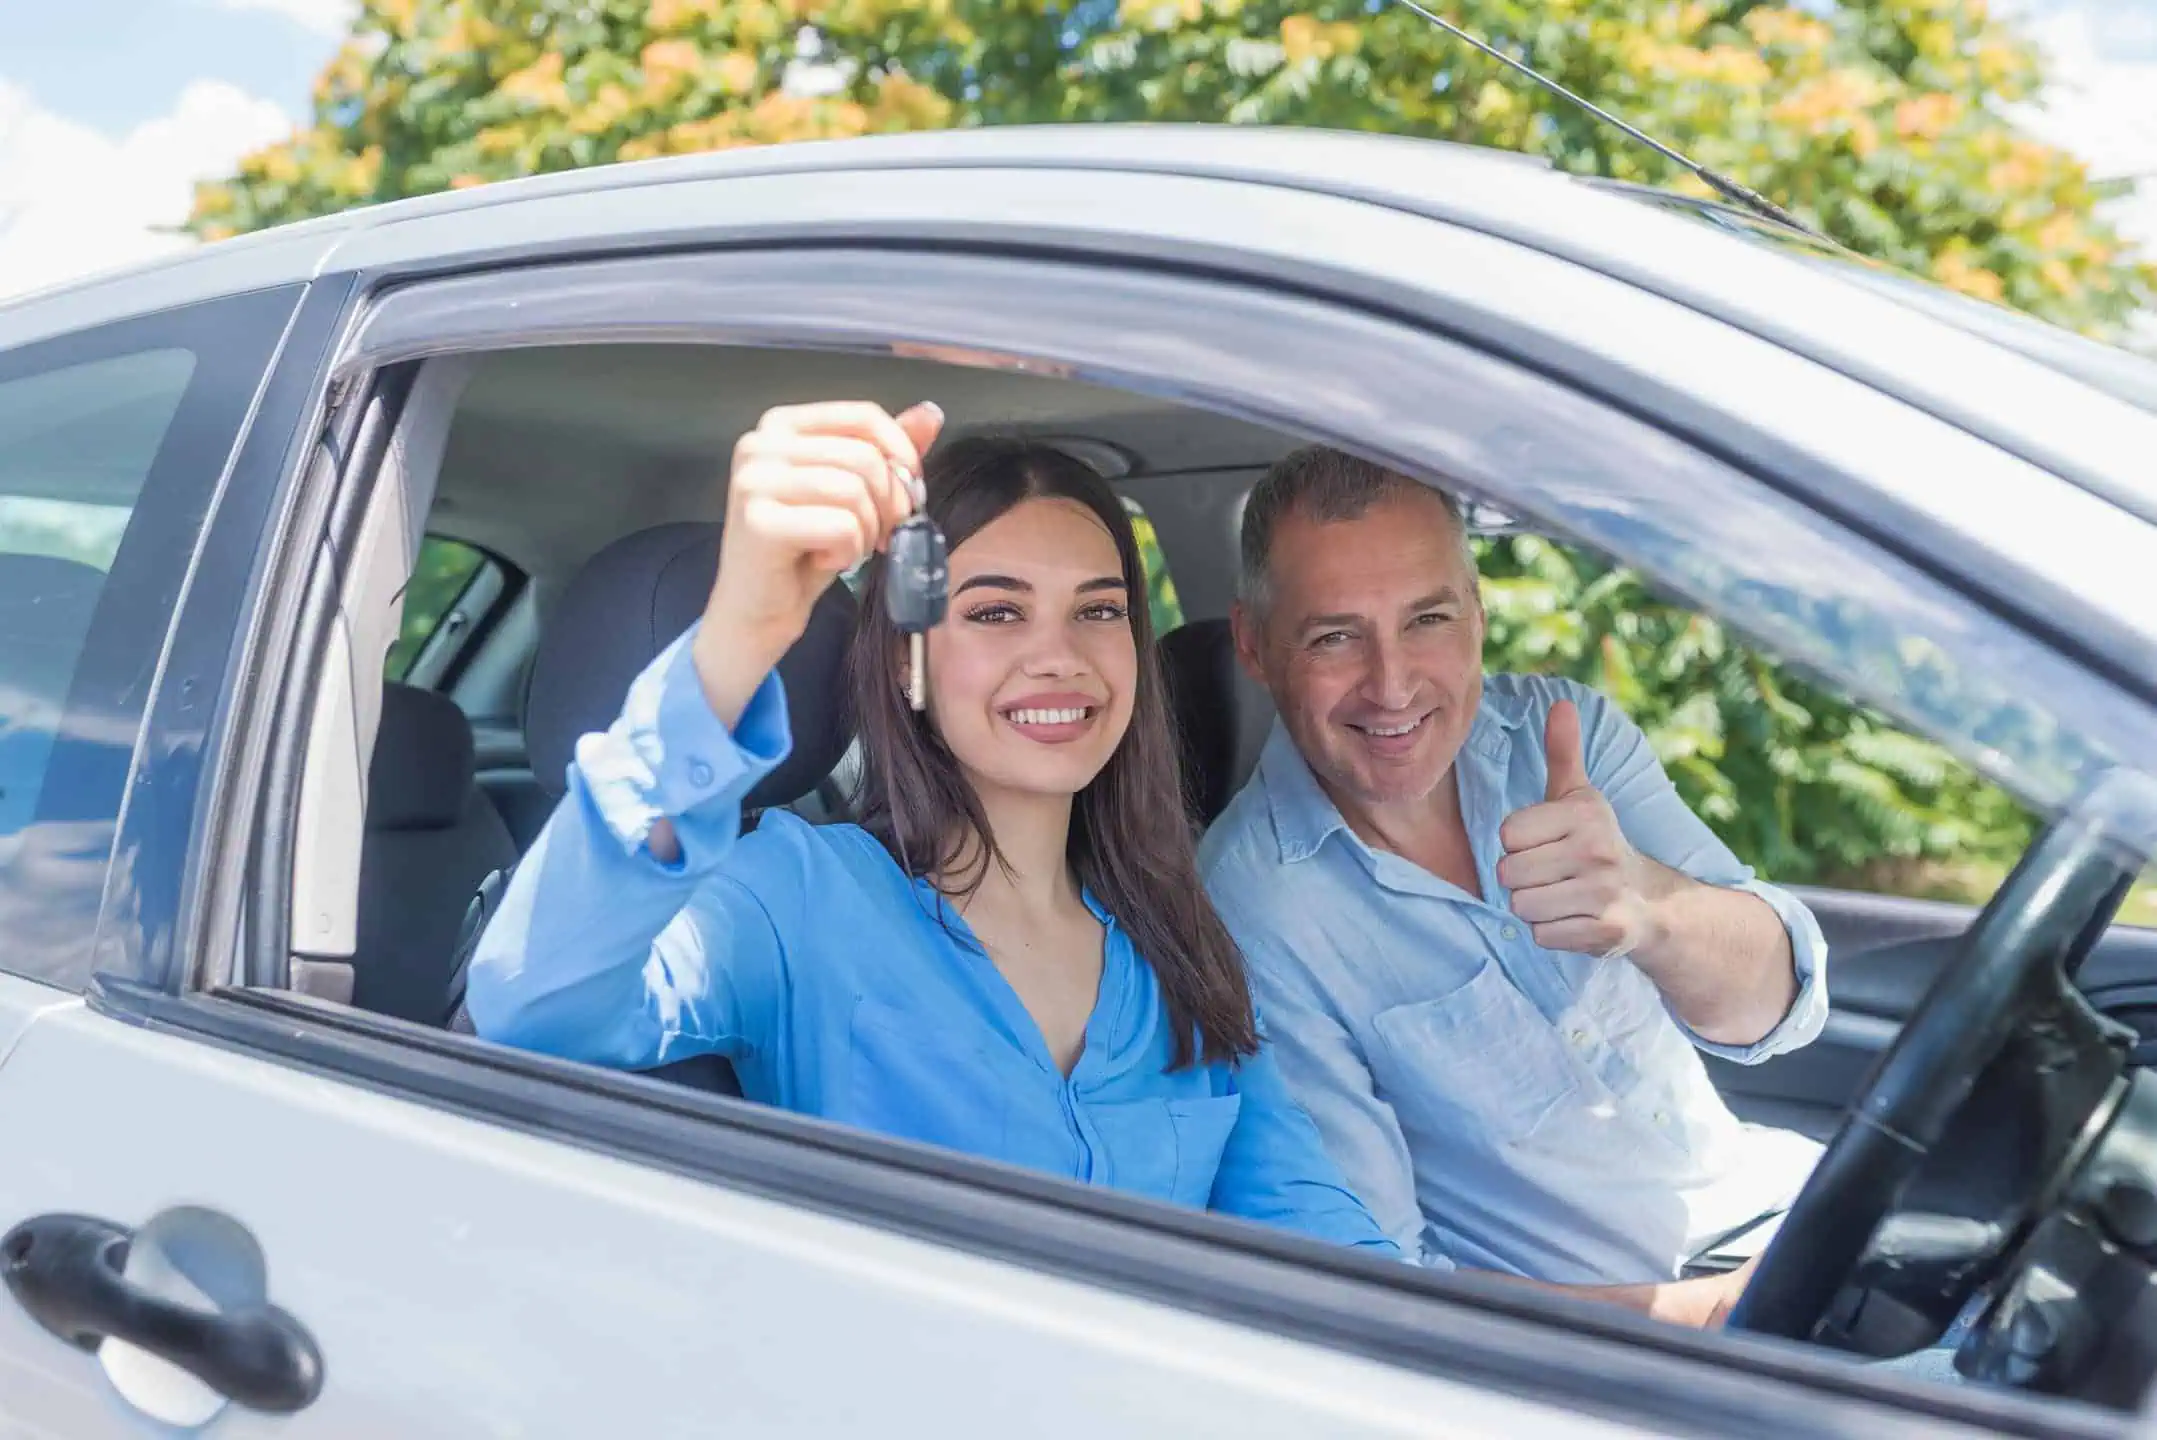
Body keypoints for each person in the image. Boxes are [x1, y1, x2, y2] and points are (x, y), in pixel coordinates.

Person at [465, 400, 1395, 1252]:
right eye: (995, 611)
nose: (1059, 658)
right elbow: (536, 1003)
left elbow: (1317, 1237)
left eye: (1098, 611)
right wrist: (739, 640)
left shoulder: (1184, 940)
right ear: (906, 655)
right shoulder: (798, 894)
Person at [1200, 445, 1829, 1289]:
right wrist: (1699, 1319)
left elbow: (1781, 1008)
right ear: (1254, 645)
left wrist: (1656, 912)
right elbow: (1388, 1285)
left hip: (1783, 1209)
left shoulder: (1564, 735)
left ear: (1477, 613)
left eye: (1427, 620)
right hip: (1623, 1345)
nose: (1391, 686)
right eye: (1335, 637)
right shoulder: (1254, 909)